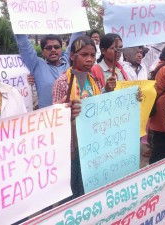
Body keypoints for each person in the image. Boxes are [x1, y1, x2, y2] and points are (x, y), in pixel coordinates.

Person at [52, 36, 115, 200]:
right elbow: (54, 118)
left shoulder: (92, 79)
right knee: (73, 189)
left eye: (92, 55)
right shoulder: (62, 82)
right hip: (72, 147)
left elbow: (98, 106)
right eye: (84, 55)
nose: (89, 60)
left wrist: (107, 91)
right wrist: (66, 112)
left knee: (89, 185)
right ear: (72, 56)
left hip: (92, 143)